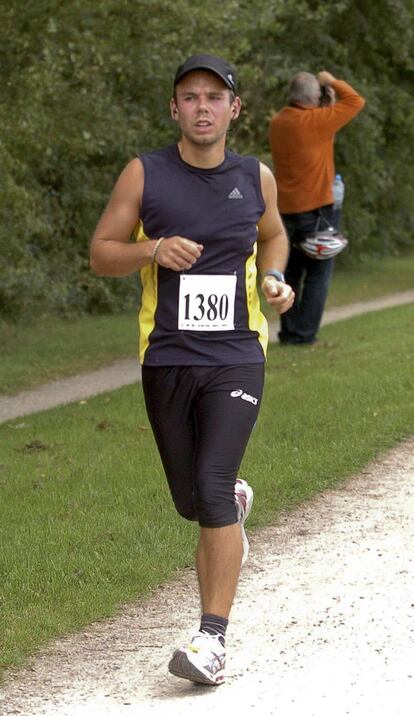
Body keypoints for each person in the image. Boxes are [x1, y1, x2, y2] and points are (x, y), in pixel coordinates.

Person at [90, 53, 294, 686]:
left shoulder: (254, 176)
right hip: (169, 356)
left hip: (237, 354)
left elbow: (275, 235)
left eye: (214, 97)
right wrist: (152, 248)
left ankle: (212, 640)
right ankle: (230, 502)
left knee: (208, 484)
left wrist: (273, 277)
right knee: (193, 500)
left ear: (234, 110)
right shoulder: (144, 174)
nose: (201, 106)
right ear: (174, 109)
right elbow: (102, 254)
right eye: (189, 97)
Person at [268, 71, 365, 345]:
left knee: (292, 274)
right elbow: (356, 100)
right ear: (314, 97)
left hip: (286, 210)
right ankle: (304, 335)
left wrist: (324, 103)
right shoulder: (317, 121)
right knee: (319, 274)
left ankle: (289, 332)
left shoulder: (278, 122)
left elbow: (312, 136)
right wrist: (330, 80)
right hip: (318, 211)